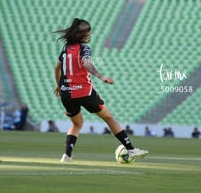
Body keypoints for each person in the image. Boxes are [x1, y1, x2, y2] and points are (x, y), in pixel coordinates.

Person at [53, 18, 148, 162]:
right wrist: (101, 76)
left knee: (77, 124)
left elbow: (57, 68)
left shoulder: (65, 48)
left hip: (67, 94)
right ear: (83, 34)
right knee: (108, 118)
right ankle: (131, 149)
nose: (89, 35)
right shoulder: (84, 48)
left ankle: (67, 155)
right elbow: (86, 63)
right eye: (88, 32)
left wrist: (59, 85)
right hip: (84, 92)